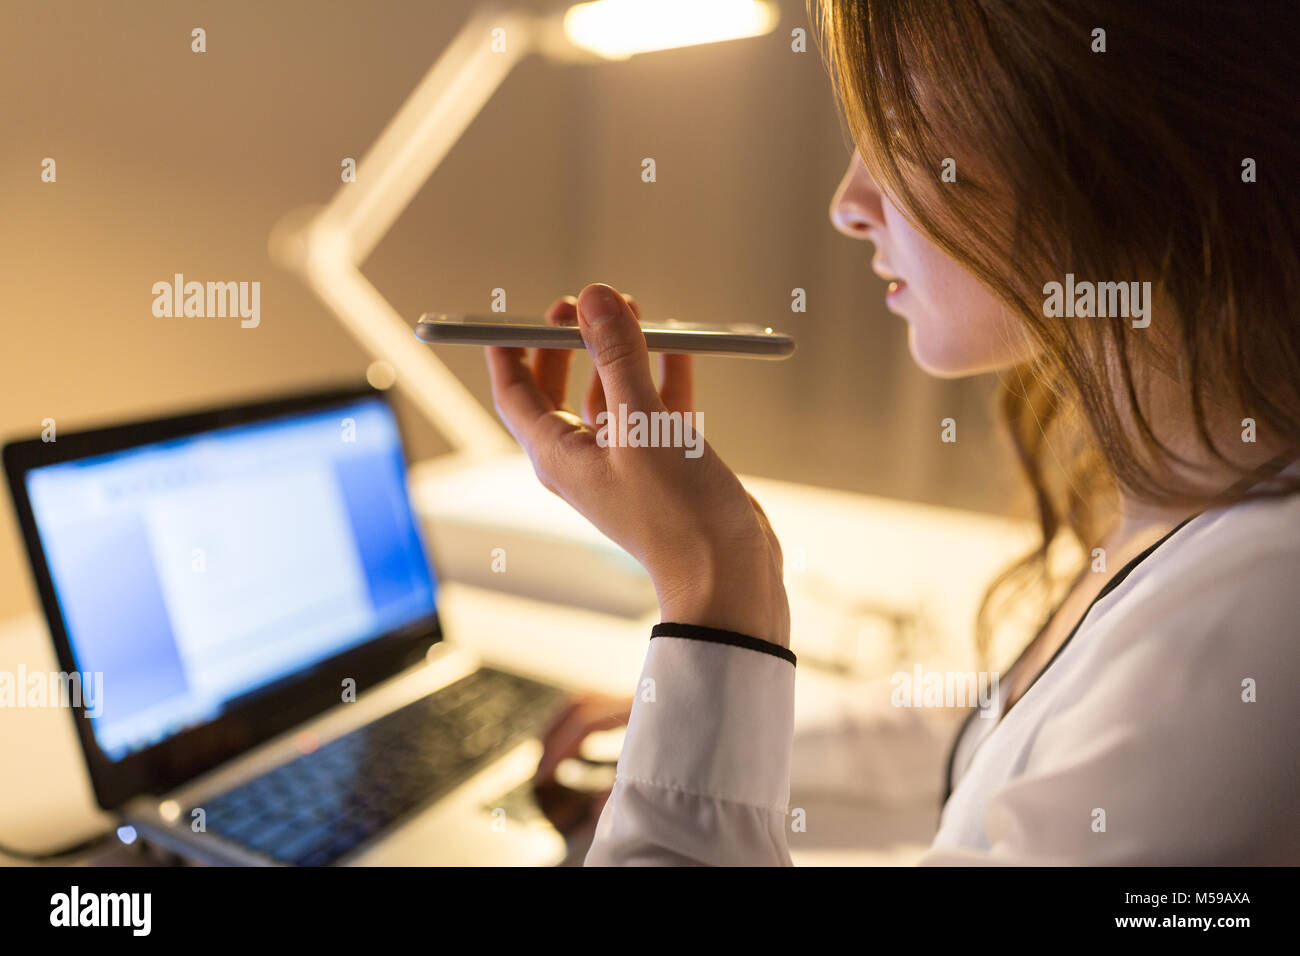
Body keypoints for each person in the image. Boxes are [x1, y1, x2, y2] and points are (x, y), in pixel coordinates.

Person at [484, 0, 1300, 864]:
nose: (848, 204)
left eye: (901, 135)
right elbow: (1010, 734)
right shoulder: (1207, 485)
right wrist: (701, 731)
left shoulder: (1256, 617)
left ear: (1107, 143)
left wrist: (719, 591)